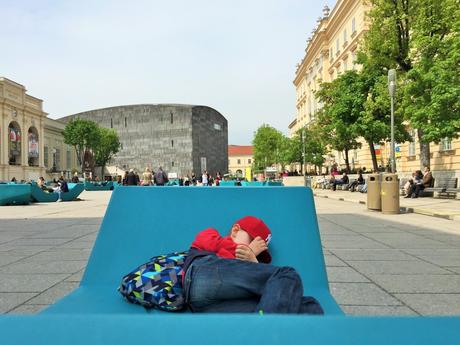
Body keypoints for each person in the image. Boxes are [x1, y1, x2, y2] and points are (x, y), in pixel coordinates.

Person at [182, 215, 324, 314]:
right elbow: (209, 243)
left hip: (207, 306)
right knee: (287, 274)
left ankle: (261, 330)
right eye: (252, 243)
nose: (254, 253)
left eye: (258, 254)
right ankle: (267, 328)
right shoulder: (212, 234)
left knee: (310, 306)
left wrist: (253, 262)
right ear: (235, 231)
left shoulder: (246, 268)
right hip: (201, 276)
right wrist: (248, 252)